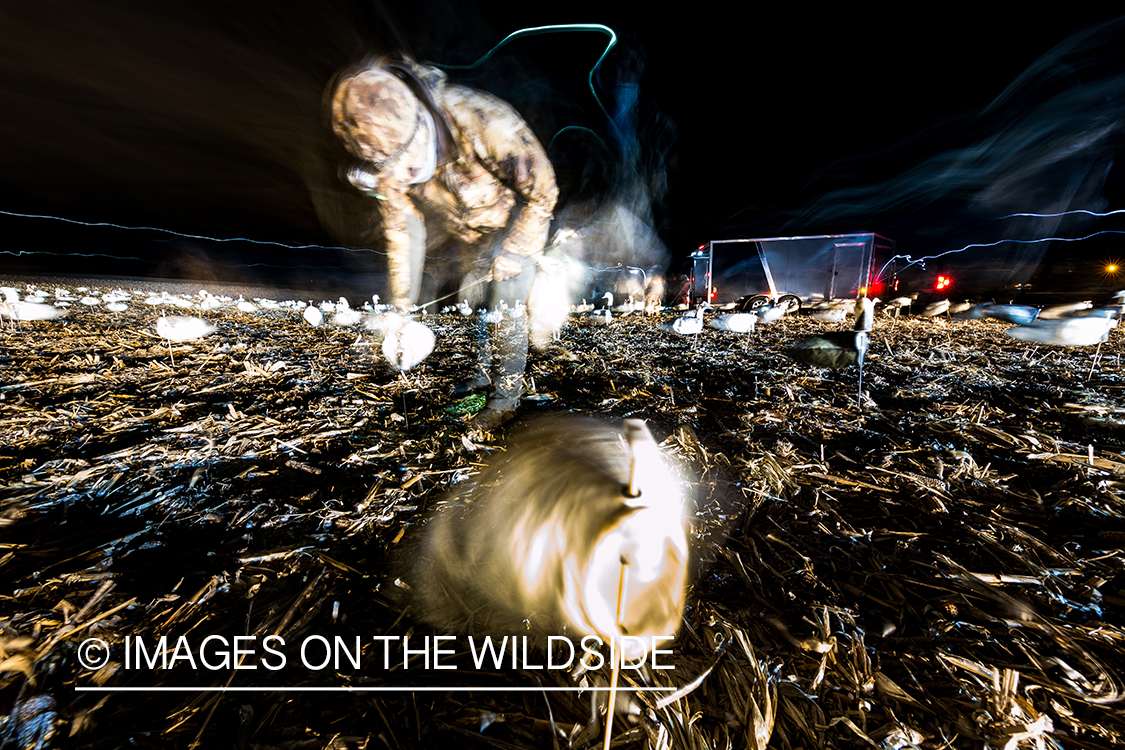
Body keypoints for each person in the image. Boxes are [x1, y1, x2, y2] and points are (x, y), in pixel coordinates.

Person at [330, 57, 558, 429]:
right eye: (390, 170)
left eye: (407, 163)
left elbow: (543, 193)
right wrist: (401, 305)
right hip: (471, 231)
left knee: (505, 307)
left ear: (421, 122)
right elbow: (403, 232)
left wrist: (516, 249)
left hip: (516, 223)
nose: (400, 177)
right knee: (474, 303)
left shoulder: (482, 121)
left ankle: (506, 399)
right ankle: (483, 376)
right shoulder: (388, 163)